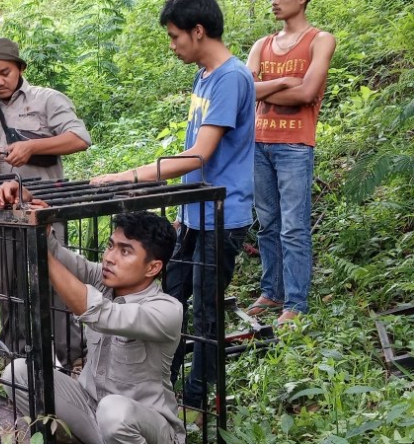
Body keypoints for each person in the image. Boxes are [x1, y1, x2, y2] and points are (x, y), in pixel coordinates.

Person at [90, 0, 255, 416]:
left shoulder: (231, 77)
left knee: (206, 311)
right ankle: (159, 389)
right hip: (195, 211)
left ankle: (198, 403)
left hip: (223, 213)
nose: (172, 45)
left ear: (197, 31)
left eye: (174, 36)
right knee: (171, 301)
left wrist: (131, 175)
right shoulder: (205, 76)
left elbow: (199, 153)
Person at [0, 182, 185, 444]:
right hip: (90, 407)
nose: (110, 257)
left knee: (114, 411)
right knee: (17, 373)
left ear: (152, 268)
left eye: (125, 251)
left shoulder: (166, 310)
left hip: (145, 429)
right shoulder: (103, 281)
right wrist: (29, 209)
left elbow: (96, 311)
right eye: (111, 246)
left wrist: (38, 246)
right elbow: (60, 257)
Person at [0, 37, 91, 368]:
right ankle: (15, 365)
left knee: (56, 284)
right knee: (7, 289)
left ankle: (73, 359)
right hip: (0, 214)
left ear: (19, 69)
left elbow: (79, 138)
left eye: (4, 72)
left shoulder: (47, 100)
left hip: (43, 210)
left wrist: (33, 147)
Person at [245, 0, 336, 324]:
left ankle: (295, 303)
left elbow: (308, 93)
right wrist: (286, 83)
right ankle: (272, 292)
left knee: (294, 227)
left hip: (295, 145)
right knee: (268, 224)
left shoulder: (320, 40)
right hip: (259, 144)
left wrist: (264, 90)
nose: (274, 2)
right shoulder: (262, 45)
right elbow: (244, 89)